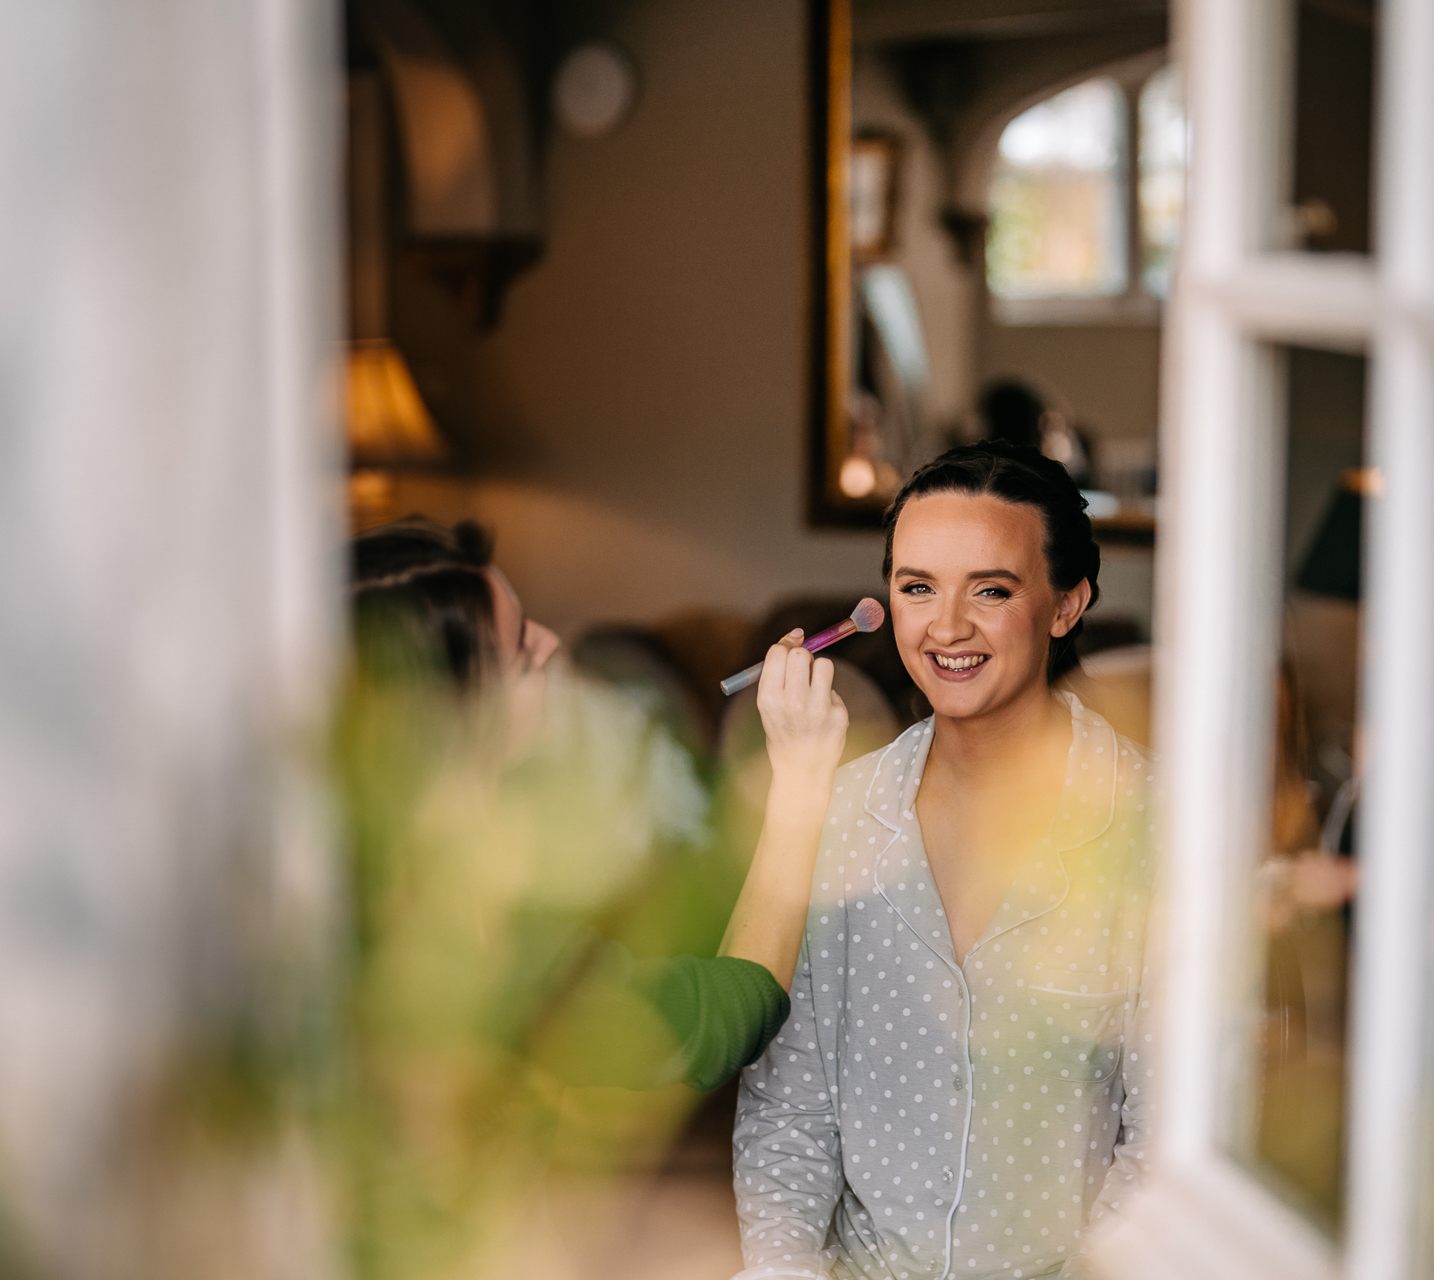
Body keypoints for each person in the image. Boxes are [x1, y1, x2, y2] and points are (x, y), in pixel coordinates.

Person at [732, 441, 1155, 1280]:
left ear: (1067, 606)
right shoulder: (837, 815)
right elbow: (790, 1112)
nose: (946, 627)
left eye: (991, 591)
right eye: (917, 587)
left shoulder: (1151, 828)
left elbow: (1169, 1145)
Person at [348, 517, 847, 1090]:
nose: (552, 643)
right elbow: (733, 1006)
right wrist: (802, 785)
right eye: (521, 652)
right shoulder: (486, 958)